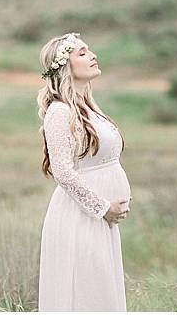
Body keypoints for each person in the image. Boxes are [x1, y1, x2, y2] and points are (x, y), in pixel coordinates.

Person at [36, 31, 132, 311]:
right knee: (87, 294)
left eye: (90, 50)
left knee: (102, 293)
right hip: (81, 218)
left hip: (101, 220)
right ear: (66, 66)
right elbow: (63, 172)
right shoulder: (59, 112)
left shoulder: (89, 108)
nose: (92, 56)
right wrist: (103, 207)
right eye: (82, 53)